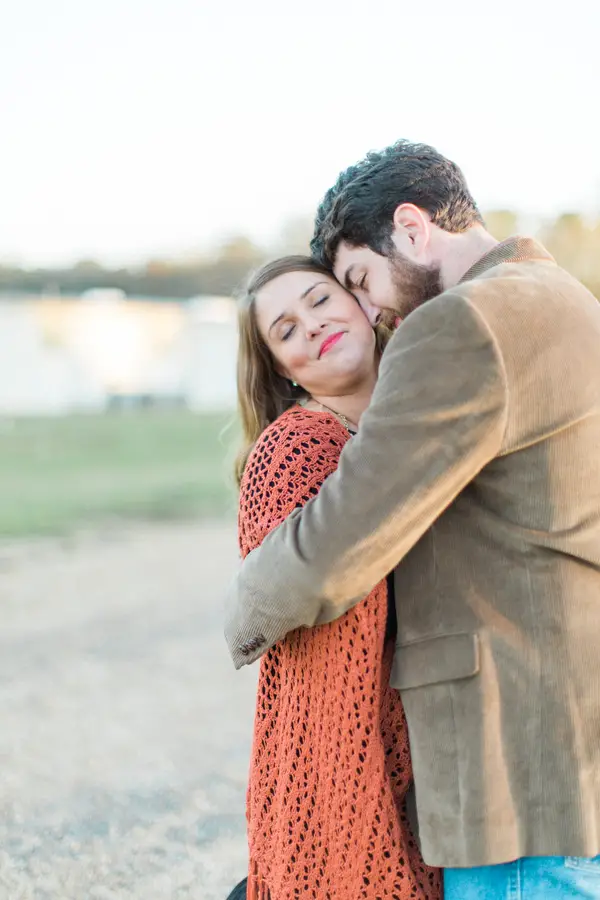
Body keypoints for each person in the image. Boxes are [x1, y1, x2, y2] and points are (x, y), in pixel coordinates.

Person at [225, 141, 600, 899]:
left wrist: (241, 610)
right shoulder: (569, 300)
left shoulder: (461, 322)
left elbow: (335, 549)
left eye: (358, 281)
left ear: (412, 227)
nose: (371, 309)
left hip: (517, 780)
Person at [234, 255, 441, 900]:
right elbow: (314, 661)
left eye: (320, 300)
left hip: (439, 748)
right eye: (286, 330)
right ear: (280, 369)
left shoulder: (429, 417)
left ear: (361, 303)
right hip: (345, 767)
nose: (313, 326)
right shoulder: (294, 451)